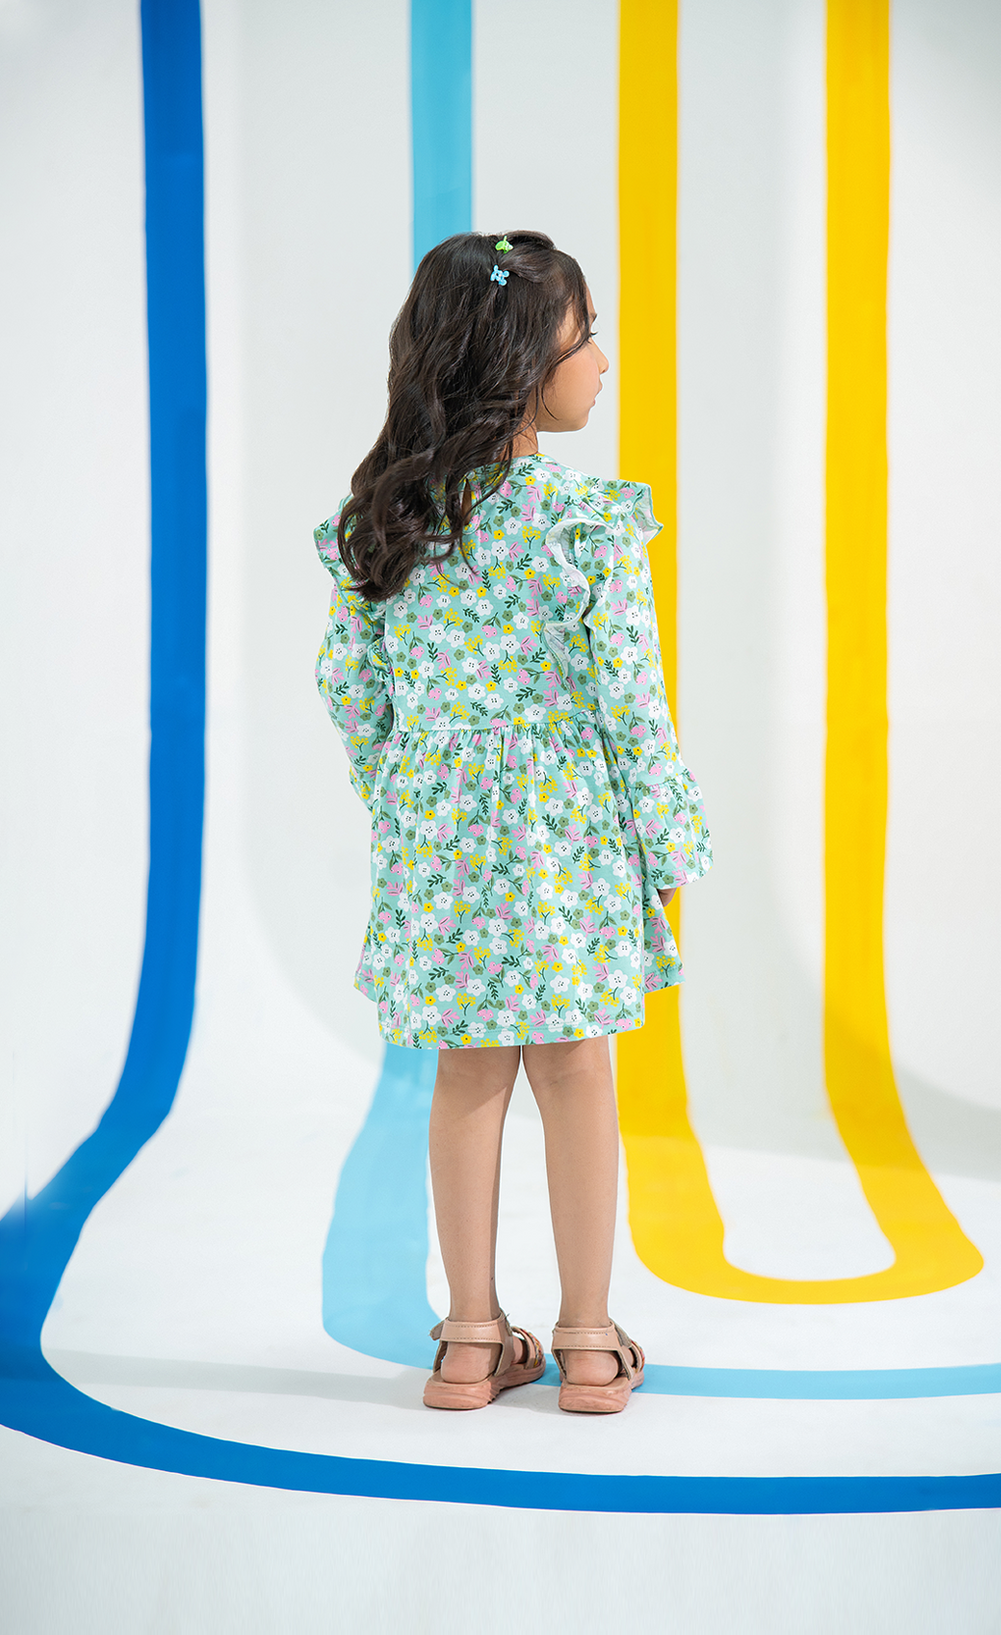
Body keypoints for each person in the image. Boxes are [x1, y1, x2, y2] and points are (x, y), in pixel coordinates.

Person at [314, 231, 712, 1414]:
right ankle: (586, 1340)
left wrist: (411, 799)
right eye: (585, 338)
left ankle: (469, 1340)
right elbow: (632, 702)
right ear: (520, 365)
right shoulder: (584, 524)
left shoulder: (388, 523)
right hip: (570, 837)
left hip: (440, 844)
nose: (602, 362)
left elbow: (350, 691)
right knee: (578, 1068)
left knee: (466, 1073)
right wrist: (667, 843)